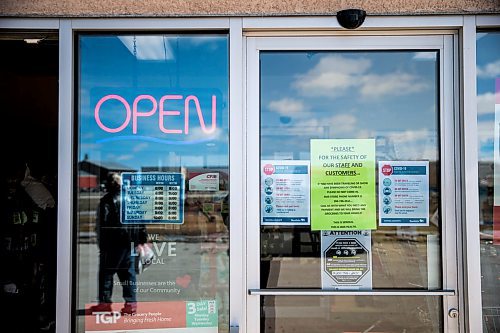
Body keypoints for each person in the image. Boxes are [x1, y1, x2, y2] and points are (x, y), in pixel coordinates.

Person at [90, 173, 147, 315]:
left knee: (106, 273)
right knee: (128, 274)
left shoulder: (107, 200)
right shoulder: (132, 199)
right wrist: (141, 240)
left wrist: (102, 244)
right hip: (130, 243)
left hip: (113, 243)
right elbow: (141, 222)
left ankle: (104, 304)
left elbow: (102, 224)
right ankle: (131, 304)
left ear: (110, 184)